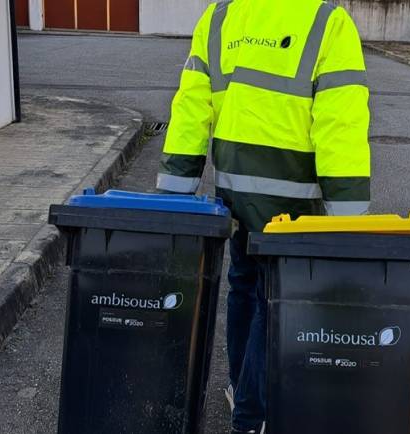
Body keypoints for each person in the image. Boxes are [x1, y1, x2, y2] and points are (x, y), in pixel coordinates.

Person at [157, 0, 370, 432]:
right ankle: (252, 417)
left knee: (243, 283)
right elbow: (339, 124)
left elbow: (192, 109)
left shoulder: (221, 17)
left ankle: (240, 386)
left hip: (234, 190)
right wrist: (350, 218)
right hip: (293, 200)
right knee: (272, 299)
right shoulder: (327, 21)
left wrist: (175, 194)